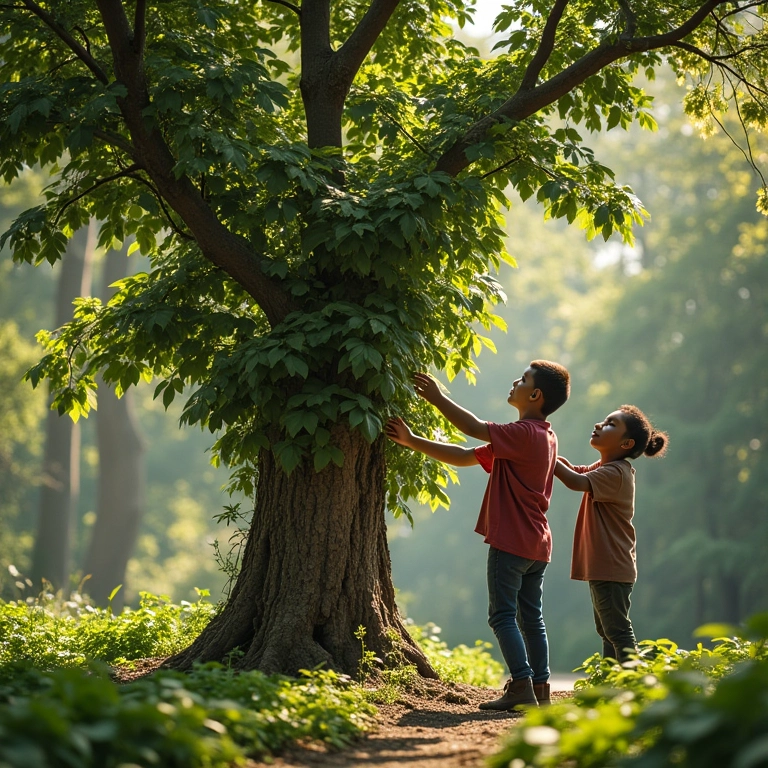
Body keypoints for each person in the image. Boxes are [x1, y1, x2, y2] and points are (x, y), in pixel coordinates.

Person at [385, 361, 570, 710]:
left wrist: (437, 398)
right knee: (531, 618)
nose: (515, 381)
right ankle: (540, 689)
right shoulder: (543, 435)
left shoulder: (522, 433)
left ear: (535, 394)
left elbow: (473, 429)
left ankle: (520, 685)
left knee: (502, 615)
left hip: (512, 540)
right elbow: (466, 456)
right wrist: (412, 441)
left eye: (523, 379)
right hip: (538, 543)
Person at [554, 405, 668, 663]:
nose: (599, 425)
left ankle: (633, 682)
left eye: (610, 424)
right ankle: (610, 685)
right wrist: (554, 457)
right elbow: (577, 471)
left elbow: (575, 481)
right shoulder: (607, 467)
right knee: (608, 631)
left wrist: (547, 459)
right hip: (607, 567)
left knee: (616, 630)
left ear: (626, 443)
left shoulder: (617, 472)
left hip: (611, 566)